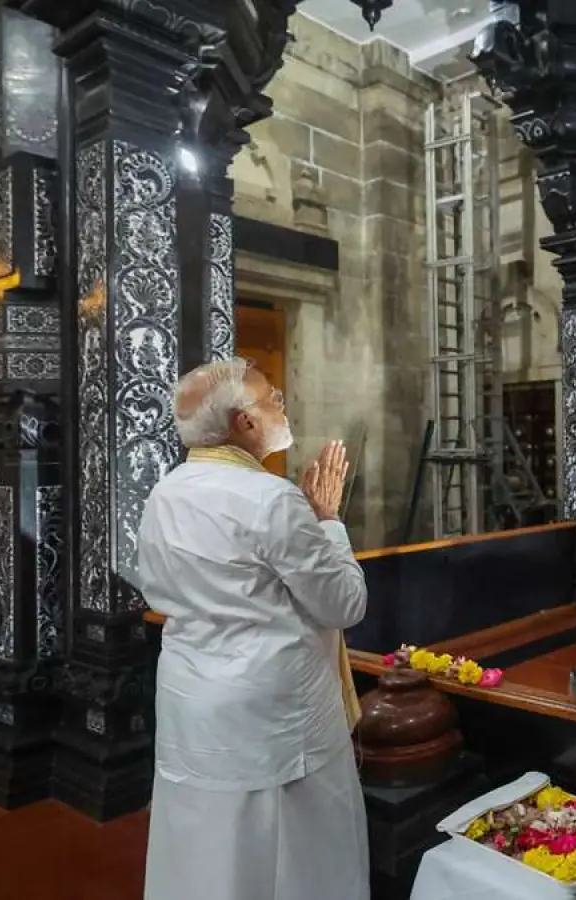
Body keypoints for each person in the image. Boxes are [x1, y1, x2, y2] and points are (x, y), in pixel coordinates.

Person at [137, 357, 369, 900]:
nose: (280, 407)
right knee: (295, 858)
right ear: (243, 422)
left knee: (204, 851)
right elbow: (344, 603)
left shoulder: (164, 493)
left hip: (193, 702)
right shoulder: (270, 498)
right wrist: (329, 518)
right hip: (274, 718)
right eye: (272, 400)